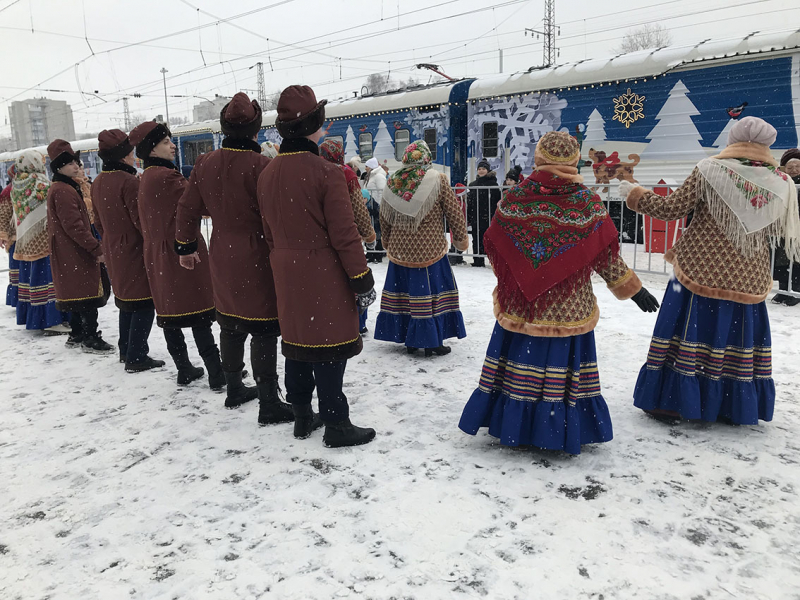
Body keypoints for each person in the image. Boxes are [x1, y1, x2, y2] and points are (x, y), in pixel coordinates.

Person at [459, 131, 659, 454]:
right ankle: (555, 426)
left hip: (523, 304)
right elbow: (606, 258)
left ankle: (514, 423)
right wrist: (634, 291)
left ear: (539, 158)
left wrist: (518, 278)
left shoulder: (515, 197)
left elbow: (495, 244)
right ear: (572, 161)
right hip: (568, 306)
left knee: (519, 365)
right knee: (559, 372)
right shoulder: (586, 203)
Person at [619, 116, 800, 426]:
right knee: (735, 338)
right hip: (748, 274)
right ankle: (732, 405)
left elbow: (670, 209)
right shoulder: (782, 183)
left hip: (699, 269)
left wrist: (635, 195)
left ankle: (672, 402)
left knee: (686, 332)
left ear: (733, 140)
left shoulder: (710, 169)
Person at [258, 84, 377, 448]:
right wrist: (361, 278)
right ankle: (336, 423)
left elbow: (268, 232)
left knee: (297, 343)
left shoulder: (267, 174)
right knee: (328, 347)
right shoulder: (327, 173)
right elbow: (344, 235)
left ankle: (302, 415)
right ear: (314, 125)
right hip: (323, 273)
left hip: (285, 270)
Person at [175, 92, 293, 419]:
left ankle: (234, 388)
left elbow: (187, 208)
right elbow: (275, 216)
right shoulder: (263, 167)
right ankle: (269, 400)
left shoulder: (205, 163)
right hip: (257, 254)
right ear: (256, 129)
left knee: (230, 324)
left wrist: (185, 246)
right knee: (264, 327)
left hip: (221, 252)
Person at [130, 121, 226, 392]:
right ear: (151, 149)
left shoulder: (146, 177)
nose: (172, 145)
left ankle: (184, 368)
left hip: (158, 254)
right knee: (199, 313)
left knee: (171, 314)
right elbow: (196, 205)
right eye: (165, 142)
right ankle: (216, 372)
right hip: (181, 251)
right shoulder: (166, 177)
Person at [374, 140, 469, 356]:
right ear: (427, 158)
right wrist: (461, 239)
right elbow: (453, 212)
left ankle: (409, 336)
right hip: (429, 249)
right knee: (430, 294)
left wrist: (387, 241)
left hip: (400, 250)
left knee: (404, 294)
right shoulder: (437, 179)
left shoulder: (393, 182)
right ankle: (431, 339)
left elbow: (384, 217)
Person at [92, 129, 165, 372]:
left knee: (126, 301)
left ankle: (126, 349)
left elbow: (98, 222)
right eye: (130, 152)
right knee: (144, 301)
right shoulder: (129, 182)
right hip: (133, 248)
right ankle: (136, 355)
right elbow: (140, 220)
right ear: (123, 155)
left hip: (112, 247)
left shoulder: (99, 181)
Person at [46, 140, 113, 351]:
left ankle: (76, 334)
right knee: (88, 295)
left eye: (77, 162)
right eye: (71, 163)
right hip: (75, 251)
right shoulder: (64, 191)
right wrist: (95, 248)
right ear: (59, 167)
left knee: (76, 295)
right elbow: (74, 226)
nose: (77, 166)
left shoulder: (60, 187)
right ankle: (90, 337)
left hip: (68, 250)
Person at [320, 138, 377, 335]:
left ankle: (329, 321)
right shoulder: (346, 174)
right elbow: (359, 211)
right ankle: (357, 322)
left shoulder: (314, 172)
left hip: (320, 240)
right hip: (346, 236)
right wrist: (369, 235)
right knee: (353, 278)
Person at [773, 148, 800, 305]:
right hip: (783, 228)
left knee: (796, 259)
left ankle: (796, 291)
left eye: (797, 166)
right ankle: (783, 289)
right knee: (782, 260)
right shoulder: (780, 182)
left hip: (797, 227)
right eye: (789, 168)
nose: (794, 170)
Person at [467, 158, 501, 267]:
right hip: (476, 215)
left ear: (488, 170)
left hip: (488, 216)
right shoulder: (472, 185)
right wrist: (469, 215)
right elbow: (470, 202)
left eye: (483, 169)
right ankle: (477, 259)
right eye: (479, 169)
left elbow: (496, 200)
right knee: (476, 238)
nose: (481, 171)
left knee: (489, 238)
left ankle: (492, 260)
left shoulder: (493, 184)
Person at [0, 165, 18, 308]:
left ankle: (18, 298)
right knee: (18, 270)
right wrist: (4, 235)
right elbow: (4, 216)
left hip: (18, 236)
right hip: (15, 237)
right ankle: (18, 298)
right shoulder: (8, 192)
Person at [364, 156, 386, 263]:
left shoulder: (378, 176)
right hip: (370, 206)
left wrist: (380, 207)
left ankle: (378, 251)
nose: (365, 168)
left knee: (377, 229)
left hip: (377, 206)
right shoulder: (371, 176)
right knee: (371, 228)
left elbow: (382, 191)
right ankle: (371, 251)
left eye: (367, 166)